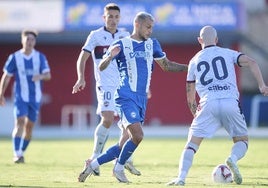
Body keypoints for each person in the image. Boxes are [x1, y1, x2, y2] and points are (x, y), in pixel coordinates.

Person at [77, 11, 188, 183]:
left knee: (124, 144)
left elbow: (167, 66)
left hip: (141, 99)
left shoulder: (153, 44)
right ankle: (118, 169)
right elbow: (102, 67)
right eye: (148, 27)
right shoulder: (121, 43)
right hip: (124, 96)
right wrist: (111, 56)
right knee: (138, 135)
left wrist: (190, 67)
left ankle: (92, 165)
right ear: (137, 24)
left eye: (152, 28)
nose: (150, 31)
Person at [167, 25, 268, 186]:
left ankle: (181, 178)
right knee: (242, 141)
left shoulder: (194, 61)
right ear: (216, 40)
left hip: (208, 103)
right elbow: (252, 62)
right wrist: (262, 85)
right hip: (230, 102)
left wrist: (196, 114)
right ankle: (232, 158)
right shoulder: (227, 53)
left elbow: (190, 95)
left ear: (199, 40)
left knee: (191, 145)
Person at [72, 3, 140, 176]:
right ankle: (94, 157)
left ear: (120, 18)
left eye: (116, 17)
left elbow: (133, 61)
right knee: (108, 118)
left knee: (128, 125)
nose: (113, 20)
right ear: (104, 18)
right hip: (106, 85)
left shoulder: (125, 35)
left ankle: (123, 160)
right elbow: (83, 57)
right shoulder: (95, 35)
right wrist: (81, 77)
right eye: (110, 16)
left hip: (124, 86)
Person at [0, 29, 51, 163]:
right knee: (20, 122)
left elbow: (48, 75)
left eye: (32, 40)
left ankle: (21, 151)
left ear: (35, 42)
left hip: (35, 98)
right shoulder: (15, 57)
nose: (29, 42)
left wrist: (39, 76)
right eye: (27, 39)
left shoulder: (40, 57)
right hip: (20, 97)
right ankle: (16, 154)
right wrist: (1, 94)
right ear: (22, 40)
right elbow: (6, 77)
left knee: (29, 128)